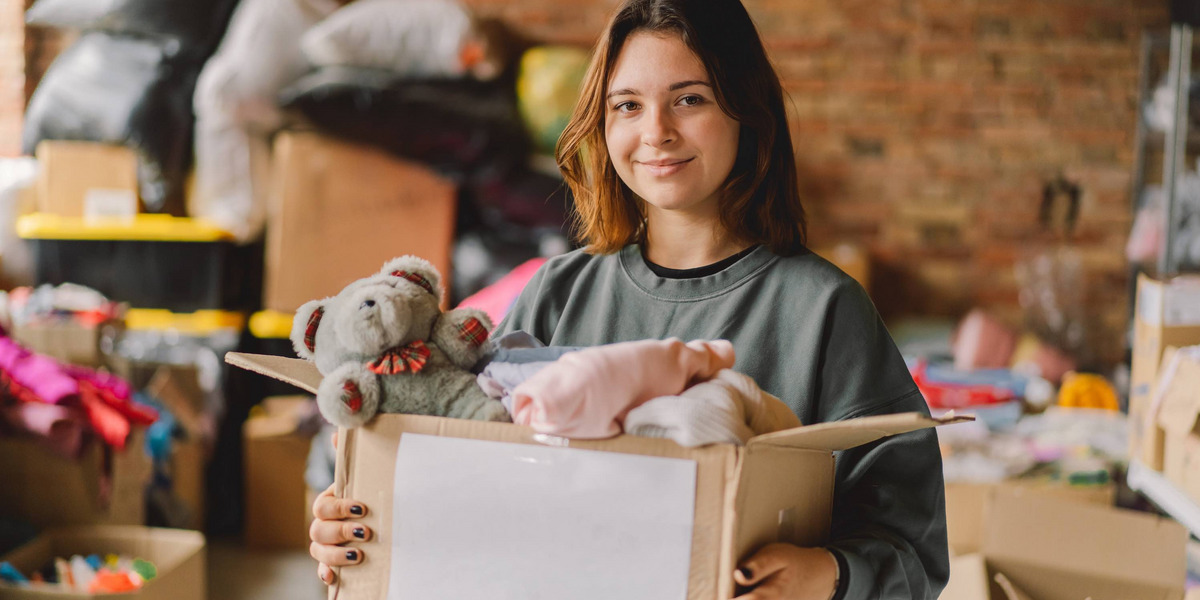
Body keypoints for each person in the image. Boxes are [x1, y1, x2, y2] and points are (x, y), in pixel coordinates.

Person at [309, 0, 949, 597]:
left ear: (745, 110)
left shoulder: (824, 309)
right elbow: (465, 465)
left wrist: (826, 575)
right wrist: (355, 521)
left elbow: (916, 549)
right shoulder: (557, 292)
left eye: (689, 99)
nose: (657, 132)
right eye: (627, 106)